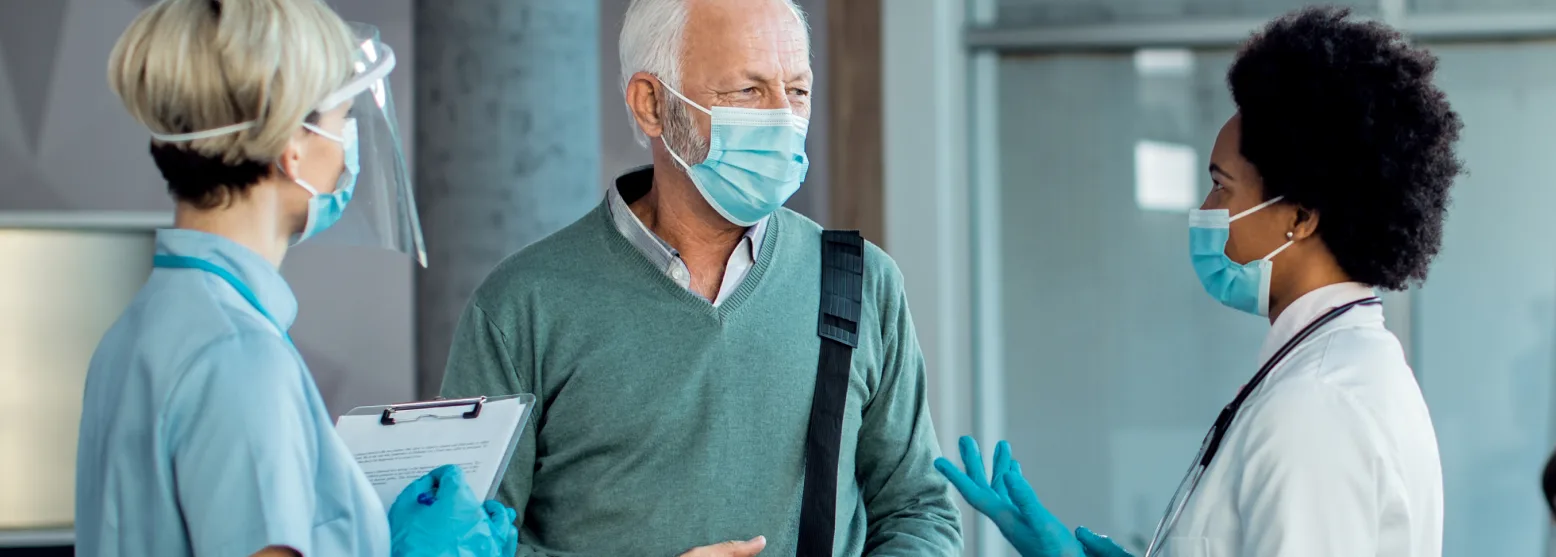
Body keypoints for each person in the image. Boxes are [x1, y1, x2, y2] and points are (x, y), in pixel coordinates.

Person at [436, 0, 963, 555]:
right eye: (748, 91)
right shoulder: (523, 305)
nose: (783, 116)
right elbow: (464, 542)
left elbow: (917, 509)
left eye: (798, 91)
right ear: (652, 105)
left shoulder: (861, 283)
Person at [937, 7, 1461, 557]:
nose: (1205, 210)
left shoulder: (1317, 406)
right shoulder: (1334, 371)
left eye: (1220, 187)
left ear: (1301, 217)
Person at [74, 1, 516, 556]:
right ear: (293, 147)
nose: (348, 146)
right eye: (343, 120)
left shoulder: (144, 330)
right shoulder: (237, 357)